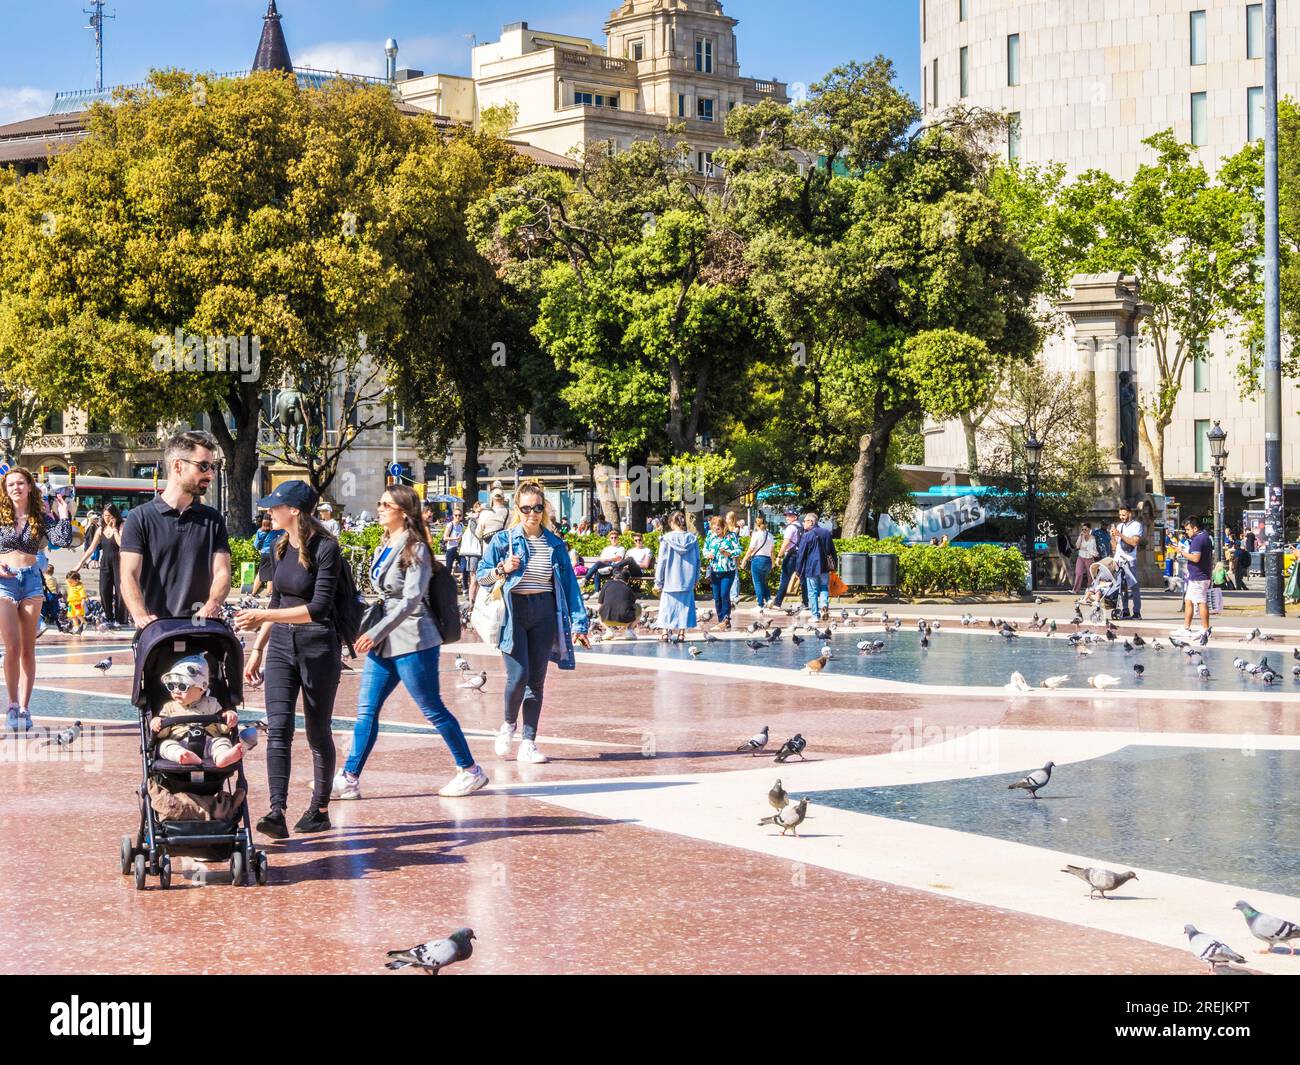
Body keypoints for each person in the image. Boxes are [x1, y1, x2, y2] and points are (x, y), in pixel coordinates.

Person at [330, 484, 488, 801]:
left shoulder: (415, 548)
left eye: (385, 504)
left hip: (414, 638)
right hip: (386, 642)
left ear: (403, 511)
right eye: (379, 503)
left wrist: (375, 631)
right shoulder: (385, 544)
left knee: (432, 708)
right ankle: (349, 777)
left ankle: (470, 770)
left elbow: (411, 600)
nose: (379, 508)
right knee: (366, 711)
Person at [236, 480, 344, 838]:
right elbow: (278, 602)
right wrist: (258, 649)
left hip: (318, 647)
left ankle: (319, 809)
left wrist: (265, 619)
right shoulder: (279, 546)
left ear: (294, 510)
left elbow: (317, 609)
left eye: (275, 506)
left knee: (317, 730)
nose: (269, 511)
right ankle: (276, 811)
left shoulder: (326, 548)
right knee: (278, 729)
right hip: (282, 646)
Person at [477, 482, 590, 764]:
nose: (532, 513)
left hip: (544, 612)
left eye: (537, 508)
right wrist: (503, 568)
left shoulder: (555, 544)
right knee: (518, 676)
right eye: (526, 508)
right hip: (514, 612)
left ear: (544, 509)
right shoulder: (504, 540)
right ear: (518, 509)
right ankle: (507, 725)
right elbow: (481, 576)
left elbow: (568, 586)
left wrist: (579, 624)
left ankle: (528, 742)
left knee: (536, 681)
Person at [121, 431, 231, 628]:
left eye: (212, 467)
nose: (211, 474)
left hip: (201, 630)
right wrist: (140, 615)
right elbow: (128, 575)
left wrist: (212, 605)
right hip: (156, 632)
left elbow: (222, 572)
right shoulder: (139, 518)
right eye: (204, 466)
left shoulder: (213, 520)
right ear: (178, 466)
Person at [0, 468, 76, 731]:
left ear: (30, 487)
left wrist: (63, 512)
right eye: (11, 484)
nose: (16, 488)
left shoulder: (39, 517)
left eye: (21, 483)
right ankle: (10, 704)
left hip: (32, 580)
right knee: (11, 647)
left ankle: (25, 707)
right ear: (5, 489)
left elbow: (63, 539)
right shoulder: (0, 516)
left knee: (28, 649)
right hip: (4, 583)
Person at [151, 654, 244, 768]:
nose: (176, 691)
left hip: (209, 742)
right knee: (164, 745)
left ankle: (222, 757)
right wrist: (157, 722)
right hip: (180, 743)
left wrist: (230, 717)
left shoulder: (212, 703)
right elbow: (163, 734)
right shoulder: (169, 707)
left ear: (201, 688)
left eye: (182, 687)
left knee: (222, 742)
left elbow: (223, 729)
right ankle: (183, 756)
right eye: (171, 686)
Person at [77, 503, 128, 627]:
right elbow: (91, 549)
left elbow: (122, 544)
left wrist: (115, 529)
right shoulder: (101, 529)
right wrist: (79, 564)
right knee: (104, 590)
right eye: (105, 515)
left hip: (119, 563)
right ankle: (109, 617)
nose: (106, 518)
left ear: (115, 515)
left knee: (121, 592)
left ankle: (120, 619)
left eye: (109, 516)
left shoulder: (122, 526)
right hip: (105, 563)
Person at [654, 510, 700, 640]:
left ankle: (664, 632)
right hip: (687, 579)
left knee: (667, 607)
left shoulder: (667, 539)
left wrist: (658, 581)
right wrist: (696, 578)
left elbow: (662, 561)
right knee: (684, 608)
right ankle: (681, 633)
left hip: (670, 580)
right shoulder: (693, 539)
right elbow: (697, 560)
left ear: (671, 522)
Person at [1169, 515, 1213, 636]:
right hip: (1199, 575)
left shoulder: (1197, 540)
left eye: (1188, 529)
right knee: (1188, 601)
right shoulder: (1205, 537)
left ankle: (1205, 629)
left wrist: (1181, 552)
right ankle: (1186, 628)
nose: (1186, 532)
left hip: (1199, 576)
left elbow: (1195, 558)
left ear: (1194, 528)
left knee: (1201, 602)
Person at [793, 511, 838, 621]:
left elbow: (801, 555)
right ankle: (824, 605)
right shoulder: (826, 533)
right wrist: (834, 565)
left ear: (811, 522)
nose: (803, 524)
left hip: (811, 568)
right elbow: (832, 551)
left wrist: (798, 570)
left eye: (805, 521)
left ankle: (815, 615)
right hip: (825, 567)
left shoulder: (807, 535)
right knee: (823, 588)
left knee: (812, 592)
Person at [703, 516, 740, 630]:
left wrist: (728, 553)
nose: (716, 531)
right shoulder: (710, 535)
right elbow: (705, 549)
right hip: (715, 570)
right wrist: (708, 554)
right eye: (714, 529)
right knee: (717, 597)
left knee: (724, 594)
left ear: (723, 526)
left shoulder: (731, 536)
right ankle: (720, 621)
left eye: (718, 529)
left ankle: (726, 618)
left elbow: (738, 550)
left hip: (728, 570)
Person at [1110, 505, 1143, 620]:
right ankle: (1125, 610)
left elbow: (1134, 542)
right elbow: (1115, 547)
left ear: (1130, 513)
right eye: (1120, 515)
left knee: (1133, 586)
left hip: (1129, 560)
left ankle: (1137, 611)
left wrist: (1120, 535)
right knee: (1121, 587)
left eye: (1123, 515)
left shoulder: (1136, 526)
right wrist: (1113, 537)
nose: (1121, 517)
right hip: (1118, 560)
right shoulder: (1119, 526)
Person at [740, 515, 776, 614]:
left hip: (758, 560)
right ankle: (768, 599)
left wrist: (744, 560)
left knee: (758, 583)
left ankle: (760, 604)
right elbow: (772, 551)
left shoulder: (756, 535)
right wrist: (773, 562)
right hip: (768, 560)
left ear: (756, 524)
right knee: (764, 581)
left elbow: (751, 549)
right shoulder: (770, 535)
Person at [773, 508, 806, 609]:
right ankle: (806, 602)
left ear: (795, 517)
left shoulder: (790, 528)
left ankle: (777, 603)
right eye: (786, 515)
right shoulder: (801, 526)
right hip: (800, 554)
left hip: (791, 555)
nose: (787, 517)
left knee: (785, 578)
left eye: (789, 516)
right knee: (802, 578)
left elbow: (786, 543)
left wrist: (779, 556)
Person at [598, 563, 641, 635]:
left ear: (614, 577)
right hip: (625, 620)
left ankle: (609, 630)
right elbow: (632, 604)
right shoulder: (628, 588)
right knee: (638, 607)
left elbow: (599, 605)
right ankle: (629, 630)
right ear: (627, 580)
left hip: (605, 619)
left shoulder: (606, 585)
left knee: (600, 609)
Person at [456, 501, 484, 596]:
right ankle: (472, 604)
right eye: (479, 510)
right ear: (475, 509)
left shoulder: (480, 519)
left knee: (478, 580)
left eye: (482, 511)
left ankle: (476, 601)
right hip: (474, 552)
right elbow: (476, 533)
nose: (480, 513)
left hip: (479, 551)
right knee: (474, 579)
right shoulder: (473, 519)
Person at [1072, 522, 1098, 594]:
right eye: (1082, 529)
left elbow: (1093, 548)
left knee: (1090, 575)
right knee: (1078, 573)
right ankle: (1075, 590)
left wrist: (1085, 548)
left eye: (1085, 529)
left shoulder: (1092, 538)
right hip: (1081, 557)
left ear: (1089, 530)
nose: (1083, 531)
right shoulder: (1081, 536)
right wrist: (1080, 537)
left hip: (1089, 558)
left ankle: (1090, 590)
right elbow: (1077, 546)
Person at [442, 508, 465, 590]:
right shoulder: (450, 525)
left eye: (459, 515)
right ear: (453, 516)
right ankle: (445, 587)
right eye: (456, 515)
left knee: (464, 567)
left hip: (459, 549)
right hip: (451, 548)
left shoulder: (461, 525)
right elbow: (445, 537)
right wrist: (454, 538)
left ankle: (462, 584)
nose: (457, 517)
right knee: (448, 568)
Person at [65, 570, 86, 635]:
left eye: (71, 582)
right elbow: (66, 580)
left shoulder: (80, 587)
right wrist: (70, 574)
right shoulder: (70, 584)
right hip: (70, 604)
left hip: (77, 603)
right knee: (71, 615)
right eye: (69, 582)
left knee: (78, 614)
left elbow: (83, 595)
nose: (69, 583)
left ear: (77, 580)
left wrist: (83, 601)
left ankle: (84, 622)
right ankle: (76, 627)